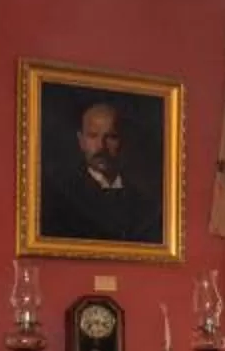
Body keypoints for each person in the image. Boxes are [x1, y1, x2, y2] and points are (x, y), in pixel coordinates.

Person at [38, 95, 162, 245]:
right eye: (93, 136)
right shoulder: (61, 196)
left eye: (111, 137)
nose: (101, 146)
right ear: (81, 141)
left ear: (123, 140)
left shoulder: (145, 204)